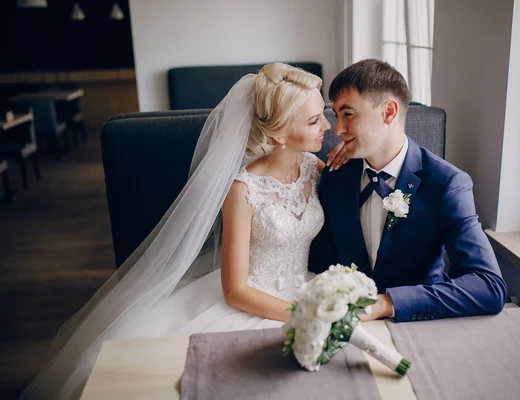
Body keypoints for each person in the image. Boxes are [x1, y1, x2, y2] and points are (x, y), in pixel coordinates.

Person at [21, 63, 331, 400]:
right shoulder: (243, 189)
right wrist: (303, 314)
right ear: (279, 133)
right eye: (314, 120)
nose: (327, 126)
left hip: (308, 287)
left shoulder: (315, 169)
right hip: (251, 303)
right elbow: (235, 291)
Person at [309, 59, 507, 323]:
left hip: (419, 324)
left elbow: (489, 287)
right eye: (336, 116)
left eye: (348, 114)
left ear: (389, 112)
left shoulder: (447, 183)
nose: (337, 129)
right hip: (346, 325)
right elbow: (321, 262)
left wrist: (387, 303)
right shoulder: (335, 178)